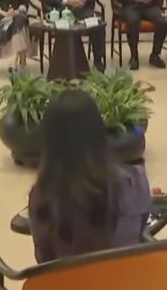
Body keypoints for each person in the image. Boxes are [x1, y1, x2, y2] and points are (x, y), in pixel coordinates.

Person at [28, 91, 153, 264]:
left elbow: (44, 262)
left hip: (69, 282)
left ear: (48, 140)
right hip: (128, 279)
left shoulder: (41, 199)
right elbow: (139, 235)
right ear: (99, 131)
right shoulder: (136, 182)